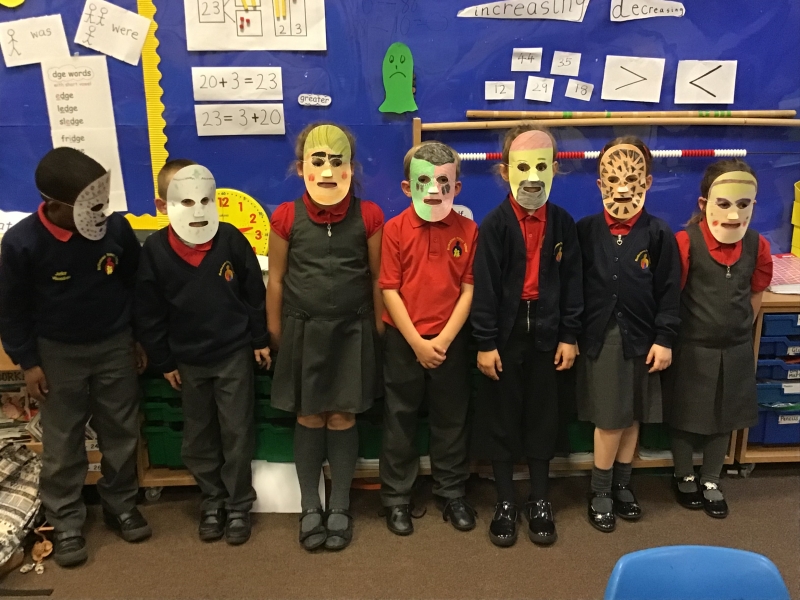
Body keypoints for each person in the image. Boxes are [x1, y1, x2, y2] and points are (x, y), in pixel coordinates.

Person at [0, 147, 150, 568]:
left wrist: (137, 337)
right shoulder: (23, 243)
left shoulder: (116, 230)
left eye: (103, 202)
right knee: (63, 439)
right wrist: (28, 361)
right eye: (90, 205)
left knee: (121, 429)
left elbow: (135, 283)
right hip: (57, 353)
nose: (100, 213)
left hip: (114, 344)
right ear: (54, 205)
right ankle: (65, 519)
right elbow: (11, 308)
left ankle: (121, 503)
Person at [136, 160, 270, 546]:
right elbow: (149, 312)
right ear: (162, 206)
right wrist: (163, 360)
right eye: (185, 201)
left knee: (237, 431)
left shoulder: (229, 239)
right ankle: (213, 498)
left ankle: (239, 503)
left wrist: (259, 338)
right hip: (188, 360)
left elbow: (253, 292)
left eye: (205, 200)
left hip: (233, 354)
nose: (197, 209)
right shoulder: (155, 252)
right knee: (198, 435)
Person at [267, 123, 384, 551]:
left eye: (338, 161)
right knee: (309, 416)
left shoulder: (369, 216)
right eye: (319, 161)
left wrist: (378, 327)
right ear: (302, 168)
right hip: (303, 330)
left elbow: (377, 278)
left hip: (353, 330)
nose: (329, 170)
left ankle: (340, 504)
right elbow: (276, 280)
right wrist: (276, 329)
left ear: (351, 167)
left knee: (342, 417)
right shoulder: (285, 216)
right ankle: (309, 505)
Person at [471, 126, 583, 547]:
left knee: (542, 417)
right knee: (502, 417)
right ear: (505, 172)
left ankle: (539, 499)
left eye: (542, 166)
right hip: (505, 334)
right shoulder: (495, 225)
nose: (532, 177)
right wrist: (485, 342)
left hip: (549, 333)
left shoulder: (563, 223)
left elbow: (573, 283)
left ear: (554, 169)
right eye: (522, 168)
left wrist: (569, 334)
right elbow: (484, 288)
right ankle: (505, 500)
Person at [576, 136, 681, 533]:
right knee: (610, 418)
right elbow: (574, 285)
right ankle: (600, 489)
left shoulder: (658, 233)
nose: (621, 188)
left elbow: (669, 290)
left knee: (634, 413)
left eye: (632, 179)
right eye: (612, 179)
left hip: (643, 337)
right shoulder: (586, 231)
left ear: (647, 182)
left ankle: (622, 484)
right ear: (600, 183)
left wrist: (665, 337)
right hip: (604, 337)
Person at [379, 142, 478, 536]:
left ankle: (452, 492)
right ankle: (396, 498)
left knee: (451, 419)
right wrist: (418, 343)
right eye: (424, 182)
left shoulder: (469, 230)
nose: (435, 190)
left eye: (444, 182)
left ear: (457, 187)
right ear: (407, 187)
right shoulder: (395, 229)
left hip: (450, 341)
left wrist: (444, 340)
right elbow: (389, 289)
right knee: (399, 418)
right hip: (404, 341)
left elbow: (468, 289)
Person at [666, 159, 772, 519]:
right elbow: (673, 294)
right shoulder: (686, 242)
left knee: (725, 415)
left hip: (735, 346)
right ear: (704, 203)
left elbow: (756, 291)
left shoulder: (757, 245)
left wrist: (739, 329)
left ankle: (711, 477)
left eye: (744, 204)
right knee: (685, 413)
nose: (734, 213)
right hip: (693, 345)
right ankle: (683, 473)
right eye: (724, 203)